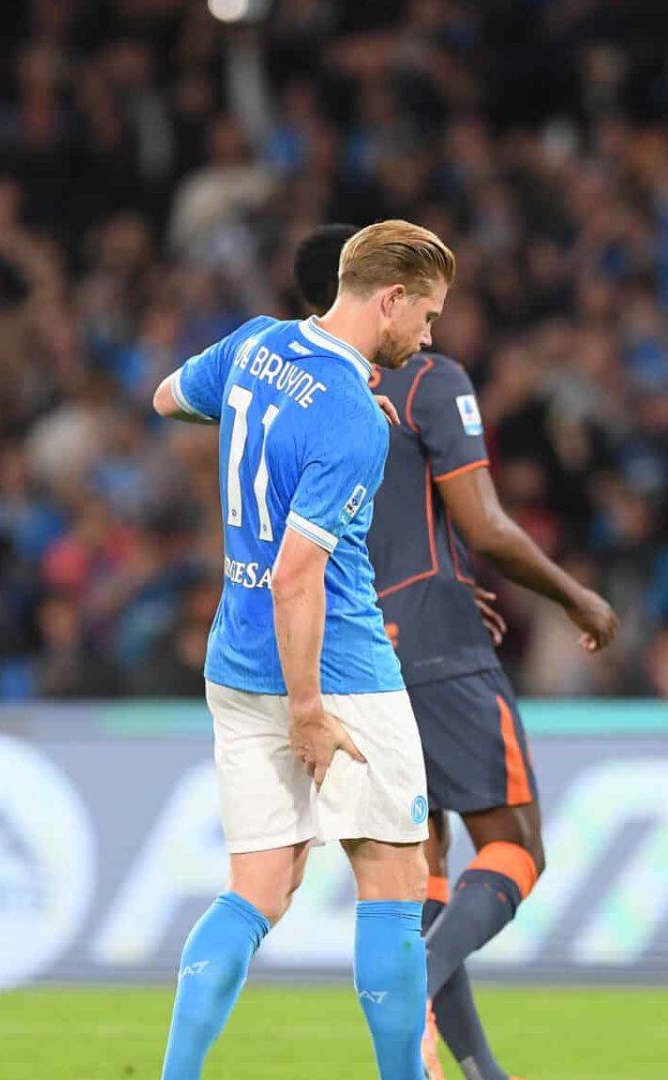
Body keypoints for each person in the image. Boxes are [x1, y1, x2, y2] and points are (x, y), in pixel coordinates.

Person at [293, 224, 619, 1080]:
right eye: (425, 310)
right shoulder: (431, 381)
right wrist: (577, 596)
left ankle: (476, 1072)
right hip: (437, 638)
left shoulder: (294, 396)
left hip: (351, 652)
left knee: (423, 868)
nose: (430, 331)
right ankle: (418, 984)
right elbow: (487, 526)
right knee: (516, 845)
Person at [150, 220, 456, 1080]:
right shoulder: (354, 418)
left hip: (234, 664)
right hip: (338, 670)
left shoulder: (255, 346)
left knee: (256, 892)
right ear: (388, 298)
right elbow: (297, 576)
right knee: (396, 890)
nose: (428, 336)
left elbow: (168, 397)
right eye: (425, 315)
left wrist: (289, 414)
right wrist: (311, 714)